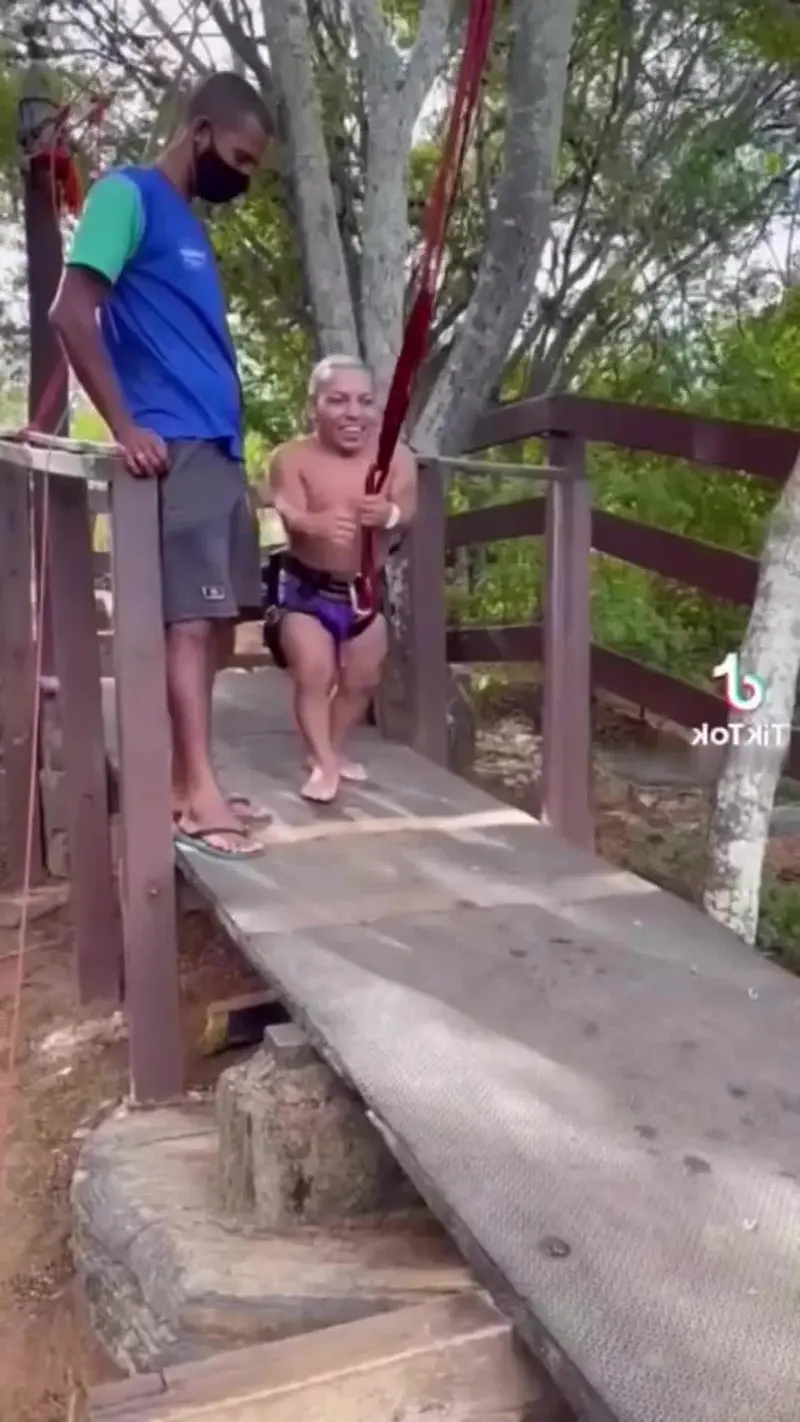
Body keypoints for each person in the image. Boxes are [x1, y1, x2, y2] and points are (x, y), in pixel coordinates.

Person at [50, 72, 273, 862]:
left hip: (218, 446)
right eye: (239, 159)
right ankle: (199, 795)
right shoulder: (127, 196)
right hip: (174, 441)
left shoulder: (189, 225)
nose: (242, 178)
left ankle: (188, 783)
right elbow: (71, 311)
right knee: (189, 621)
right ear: (201, 131)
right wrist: (125, 424)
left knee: (221, 625)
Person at [260, 356, 418, 803]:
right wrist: (313, 523)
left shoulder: (397, 457)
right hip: (305, 588)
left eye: (364, 401)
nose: (353, 412)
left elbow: (408, 509)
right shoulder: (291, 457)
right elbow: (282, 509)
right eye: (338, 400)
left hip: (364, 591)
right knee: (315, 671)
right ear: (314, 407)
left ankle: (327, 747)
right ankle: (325, 763)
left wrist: (388, 514)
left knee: (363, 678)